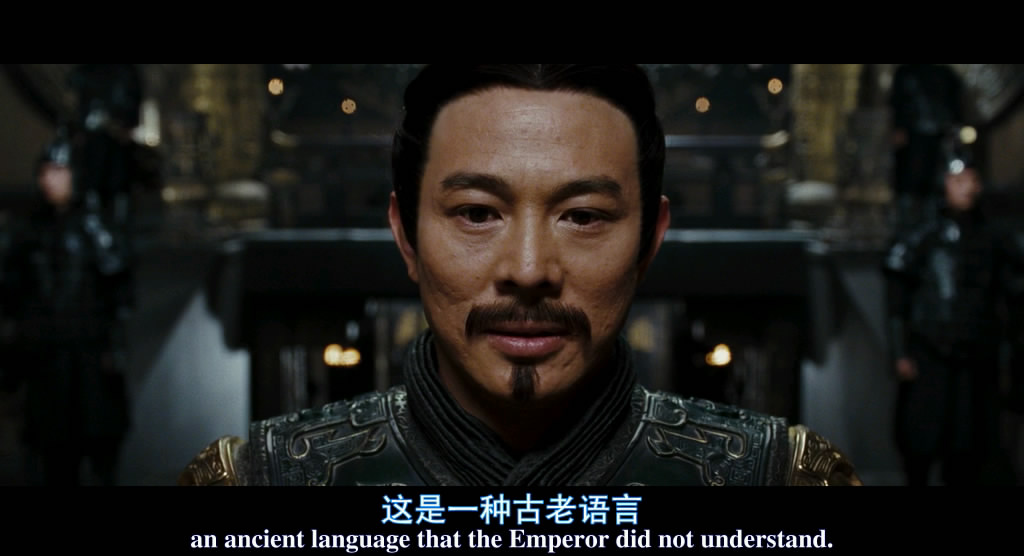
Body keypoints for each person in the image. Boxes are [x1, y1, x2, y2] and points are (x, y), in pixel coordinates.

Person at [180, 64, 860, 486]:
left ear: (649, 240)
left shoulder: (778, 479)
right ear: (406, 234)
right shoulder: (261, 481)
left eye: (583, 216)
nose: (529, 270)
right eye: (477, 213)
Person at [0, 131, 135, 485]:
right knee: (54, 454)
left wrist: (114, 348)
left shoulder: (97, 226)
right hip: (46, 360)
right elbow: (13, 292)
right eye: (45, 171)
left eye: (58, 171)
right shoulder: (30, 230)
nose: (50, 179)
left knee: (101, 445)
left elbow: (119, 291)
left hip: (91, 357)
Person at [883, 147, 1024, 485]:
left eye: (972, 180)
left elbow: (1010, 291)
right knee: (920, 436)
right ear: (944, 182)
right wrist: (900, 351)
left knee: (967, 444)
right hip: (928, 353)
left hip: (975, 355)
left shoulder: (991, 237)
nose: (967, 188)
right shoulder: (922, 234)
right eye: (959, 180)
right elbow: (897, 297)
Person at [888, 64, 967, 233]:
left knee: (937, 179)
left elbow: (955, 103)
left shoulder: (945, 74)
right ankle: (908, 224)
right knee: (911, 179)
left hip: (940, 135)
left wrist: (955, 129)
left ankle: (933, 223)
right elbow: (897, 101)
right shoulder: (906, 72)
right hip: (914, 136)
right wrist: (899, 128)